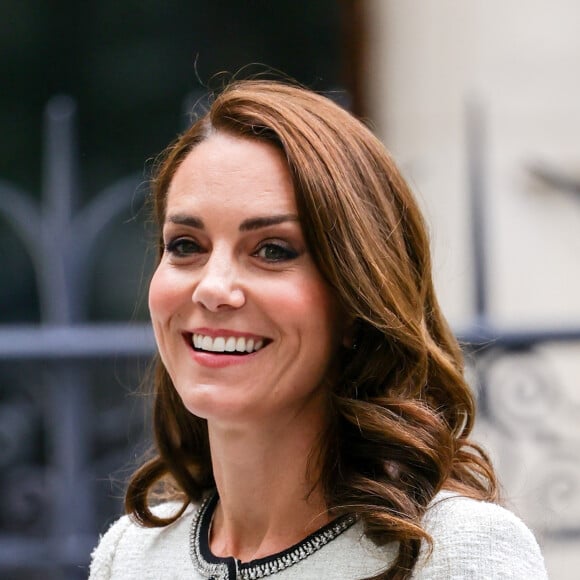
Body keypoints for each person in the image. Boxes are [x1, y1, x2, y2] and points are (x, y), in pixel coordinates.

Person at [89, 80, 547, 579]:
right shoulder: (131, 556)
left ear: (356, 300)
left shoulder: (453, 554)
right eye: (185, 245)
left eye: (272, 250)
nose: (212, 288)